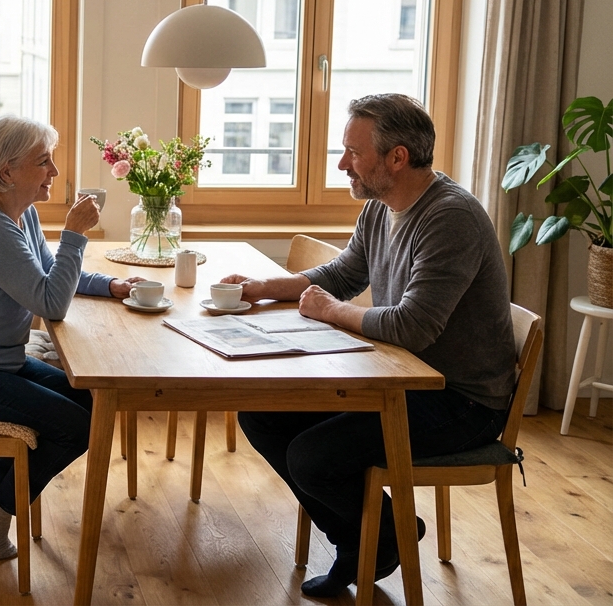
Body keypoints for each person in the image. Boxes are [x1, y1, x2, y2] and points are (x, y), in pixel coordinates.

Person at [221, 93, 515, 599]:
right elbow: (344, 273)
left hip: (462, 400)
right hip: (398, 379)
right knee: (260, 413)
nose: (342, 164)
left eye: (353, 153)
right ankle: (374, 538)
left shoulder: (451, 218)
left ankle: (372, 542)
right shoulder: (383, 206)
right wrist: (263, 286)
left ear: (396, 157)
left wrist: (332, 312)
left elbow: (412, 327)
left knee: (313, 457)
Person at [0, 115, 145, 560]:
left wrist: (108, 285)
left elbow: (51, 274)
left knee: (94, 405)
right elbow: (50, 303)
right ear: (7, 173)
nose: (54, 173)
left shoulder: (21, 213)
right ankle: (2, 506)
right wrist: (76, 233)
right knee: (75, 426)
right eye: (44, 162)